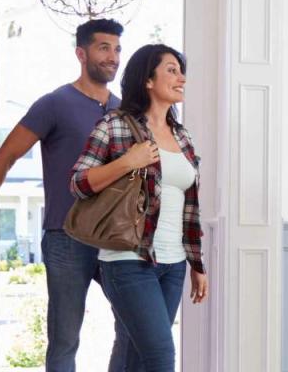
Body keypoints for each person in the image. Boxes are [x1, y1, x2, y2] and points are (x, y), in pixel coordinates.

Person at [0, 19, 133, 371]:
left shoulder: (125, 111)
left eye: (118, 48)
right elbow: (6, 156)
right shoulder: (54, 104)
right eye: (103, 47)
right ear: (81, 53)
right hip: (67, 237)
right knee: (64, 339)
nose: (113, 56)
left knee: (133, 328)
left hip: (116, 239)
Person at [70, 43, 208, 372]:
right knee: (160, 356)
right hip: (129, 261)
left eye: (181, 71)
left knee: (132, 351)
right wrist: (127, 162)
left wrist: (197, 263)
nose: (181, 78)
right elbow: (78, 183)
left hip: (173, 266)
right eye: (172, 70)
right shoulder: (115, 125)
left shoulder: (182, 135)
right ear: (148, 79)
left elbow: (189, 206)